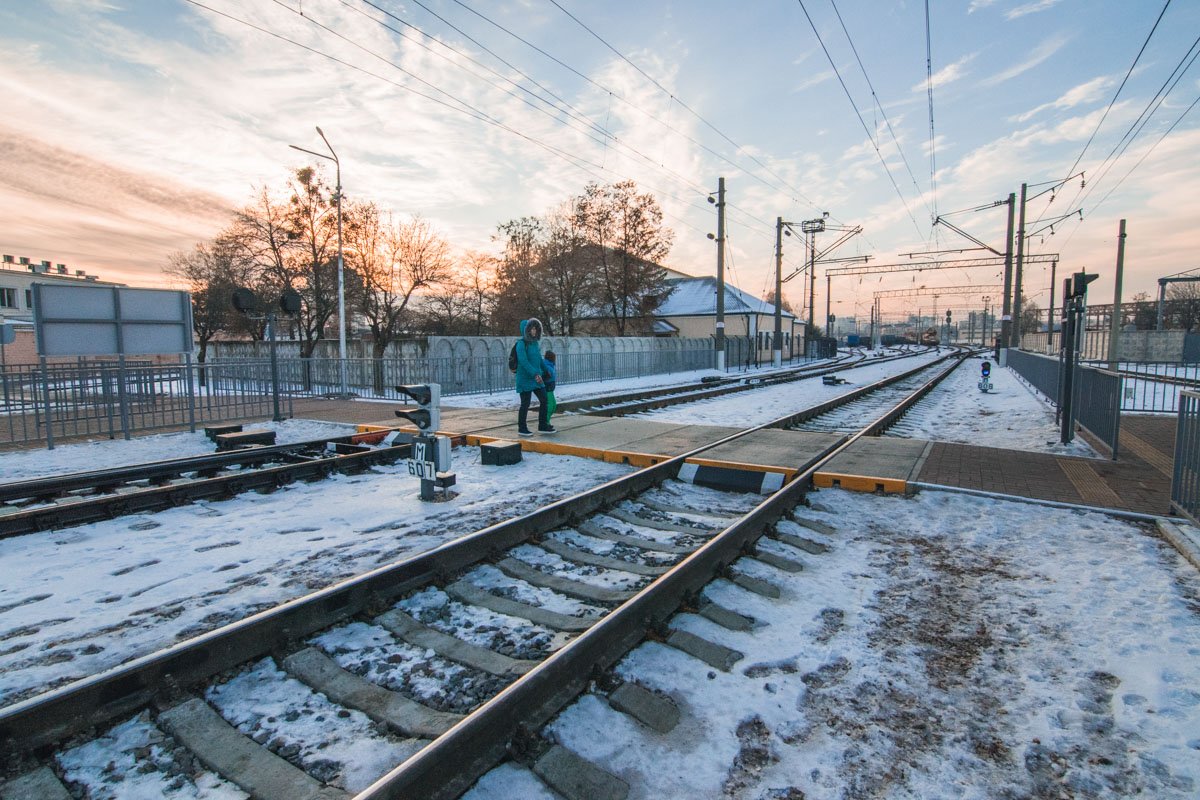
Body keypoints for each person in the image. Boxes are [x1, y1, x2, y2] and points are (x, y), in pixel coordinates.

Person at [514, 318, 555, 436]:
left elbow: (539, 359)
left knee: (544, 399)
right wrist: (535, 374)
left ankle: (542, 425)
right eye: (531, 329)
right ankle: (522, 428)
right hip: (525, 378)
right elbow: (523, 361)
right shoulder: (521, 344)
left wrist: (546, 370)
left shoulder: (535, 343)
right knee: (525, 404)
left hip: (536, 379)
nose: (534, 331)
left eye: (535, 329)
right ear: (526, 330)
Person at [542, 350, 557, 424]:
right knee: (550, 406)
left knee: (553, 406)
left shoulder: (551, 365)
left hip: (551, 388)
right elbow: (544, 375)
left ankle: (547, 421)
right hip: (547, 387)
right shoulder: (546, 365)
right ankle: (546, 422)